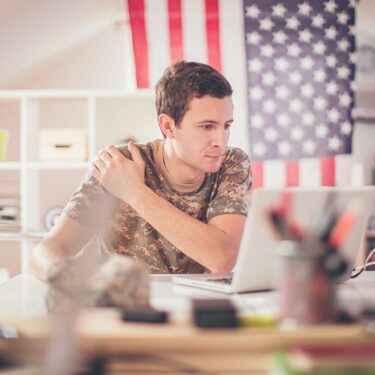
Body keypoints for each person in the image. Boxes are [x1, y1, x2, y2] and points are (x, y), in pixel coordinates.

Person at [31, 61, 252, 280]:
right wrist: (64, 278)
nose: (220, 141)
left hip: (190, 305)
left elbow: (222, 258)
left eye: (227, 126)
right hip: (117, 303)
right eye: (207, 126)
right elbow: (48, 248)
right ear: (168, 126)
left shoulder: (231, 163)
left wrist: (135, 192)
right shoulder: (118, 165)